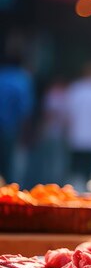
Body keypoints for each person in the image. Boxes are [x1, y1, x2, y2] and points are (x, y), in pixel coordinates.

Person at [0, 53, 34, 183]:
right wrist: (26, 134)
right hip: (10, 128)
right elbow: (25, 109)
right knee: (8, 166)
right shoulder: (21, 79)